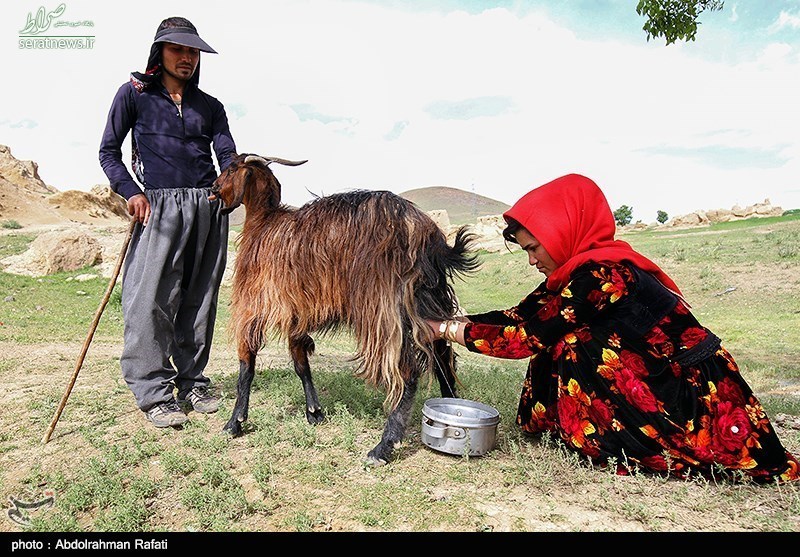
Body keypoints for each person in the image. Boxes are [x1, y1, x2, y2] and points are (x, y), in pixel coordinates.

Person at [426, 173, 799, 483]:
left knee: (573, 343)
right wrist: (457, 321)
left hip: (691, 395)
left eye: (534, 247)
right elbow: (519, 316)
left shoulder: (605, 274)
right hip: (661, 377)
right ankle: (573, 430)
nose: (532, 260)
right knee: (564, 336)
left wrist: (443, 331)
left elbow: (526, 339)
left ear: (562, 232)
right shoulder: (579, 272)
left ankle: (620, 443)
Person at [99, 17, 236, 428]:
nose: (187, 57)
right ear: (160, 51)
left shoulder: (210, 106)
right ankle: (153, 392)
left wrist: (231, 182)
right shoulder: (134, 95)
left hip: (207, 207)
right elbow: (108, 152)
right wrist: (132, 192)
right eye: (178, 49)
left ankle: (192, 381)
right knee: (150, 300)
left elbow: (227, 156)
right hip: (158, 208)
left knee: (200, 298)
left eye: (193, 51)